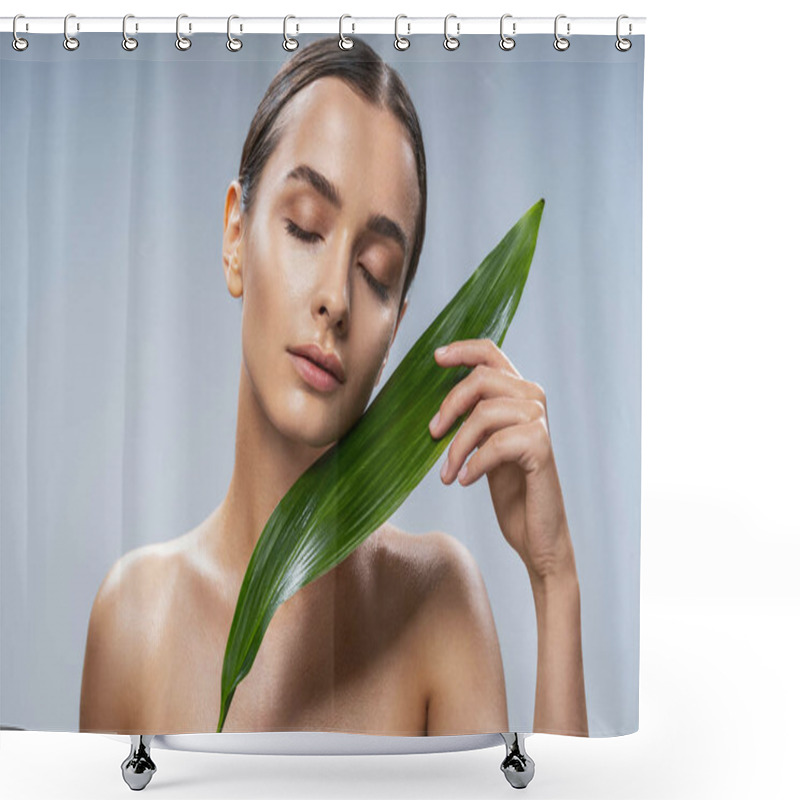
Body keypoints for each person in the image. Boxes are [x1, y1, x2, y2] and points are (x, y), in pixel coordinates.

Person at [79, 36, 587, 738]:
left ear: (396, 328)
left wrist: (554, 578)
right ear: (235, 236)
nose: (337, 300)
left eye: (376, 272)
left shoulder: (439, 602)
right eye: (305, 226)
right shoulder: (133, 616)